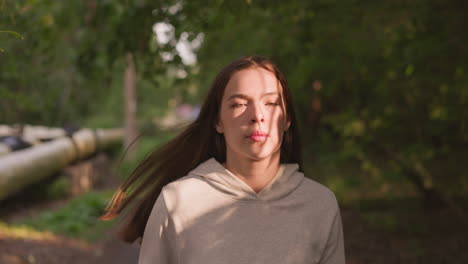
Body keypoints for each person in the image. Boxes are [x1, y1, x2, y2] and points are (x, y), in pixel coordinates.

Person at [101, 55, 345, 264]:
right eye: (239, 104)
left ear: (287, 119)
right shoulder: (177, 200)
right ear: (218, 121)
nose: (257, 116)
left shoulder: (320, 204)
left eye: (271, 103)